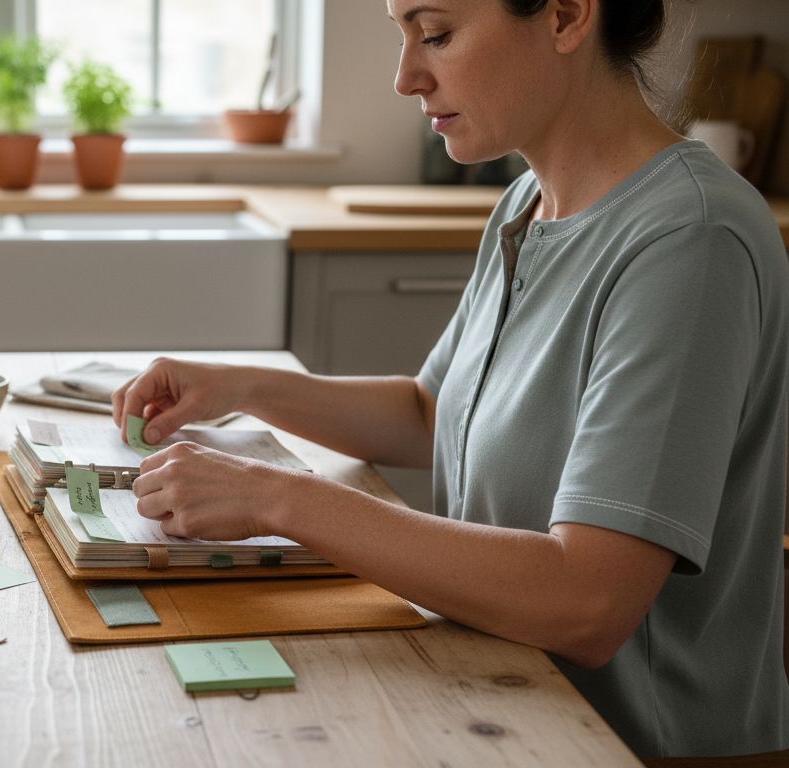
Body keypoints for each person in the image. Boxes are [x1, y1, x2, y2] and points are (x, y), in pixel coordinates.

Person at [113, 0, 789, 758]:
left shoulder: (691, 241)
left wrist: (273, 496)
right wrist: (241, 387)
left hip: (633, 747)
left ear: (566, 16)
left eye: (435, 34)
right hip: (502, 697)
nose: (406, 77)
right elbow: (434, 411)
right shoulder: (527, 204)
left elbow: (587, 602)